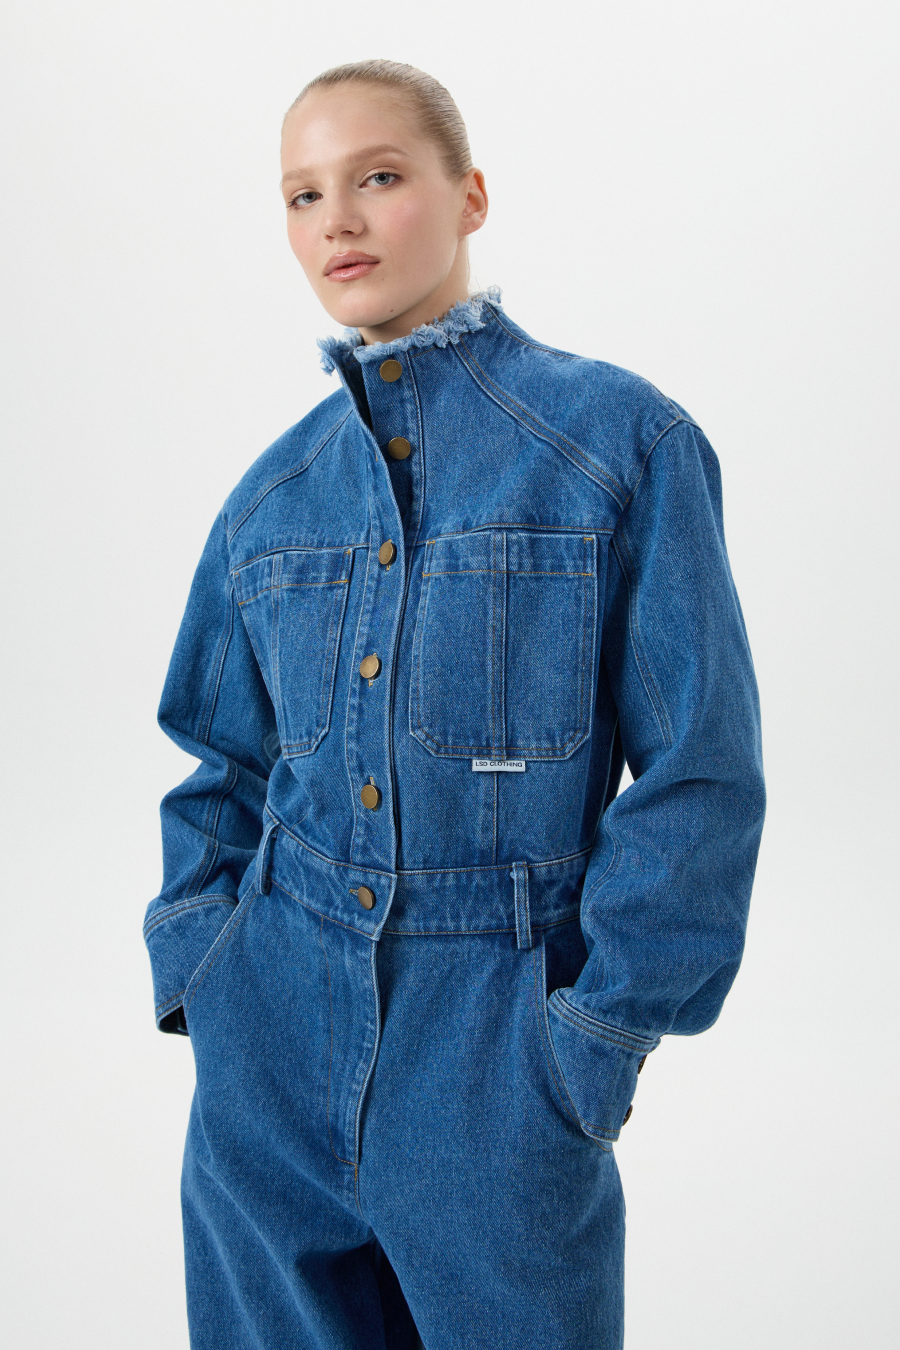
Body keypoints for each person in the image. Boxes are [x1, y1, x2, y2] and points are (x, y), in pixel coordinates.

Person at [143, 58, 766, 1350]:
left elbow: (700, 771)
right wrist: (207, 976)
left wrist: (596, 1035)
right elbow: (220, 765)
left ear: (470, 194)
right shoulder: (272, 498)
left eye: (378, 176)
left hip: (496, 1058)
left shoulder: (617, 444)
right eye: (304, 195)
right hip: (270, 1061)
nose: (339, 220)